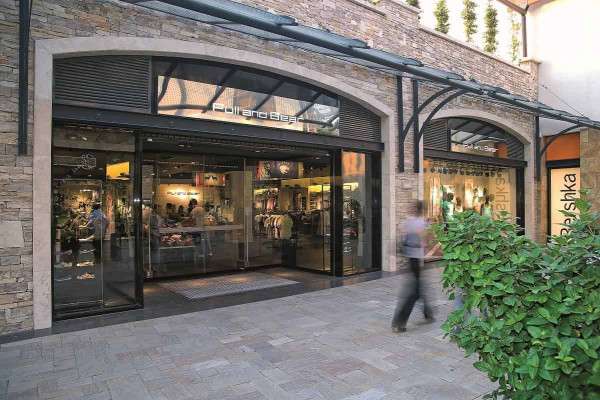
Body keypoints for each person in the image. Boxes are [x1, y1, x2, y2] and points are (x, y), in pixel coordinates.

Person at [392, 201, 434, 332]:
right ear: (423, 210)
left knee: (419, 287)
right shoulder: (421, 223)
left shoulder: (409, 220)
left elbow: (404, 234)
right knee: (415, 292)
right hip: (416, 258)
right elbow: (426, 240)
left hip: (410, 258)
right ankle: (399, 322)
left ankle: (428, 313)